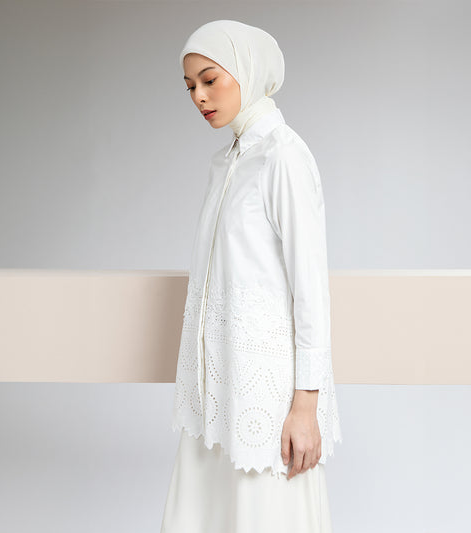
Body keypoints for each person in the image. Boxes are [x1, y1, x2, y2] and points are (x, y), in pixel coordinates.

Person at [160, 19, 342, 533]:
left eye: (210, 79)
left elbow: (311, 290)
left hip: (268, 399)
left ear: (247, 70)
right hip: (217, 392)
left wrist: (305, 407)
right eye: (190, 86)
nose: (199, 96)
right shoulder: (227, 162)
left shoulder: (283, 156)